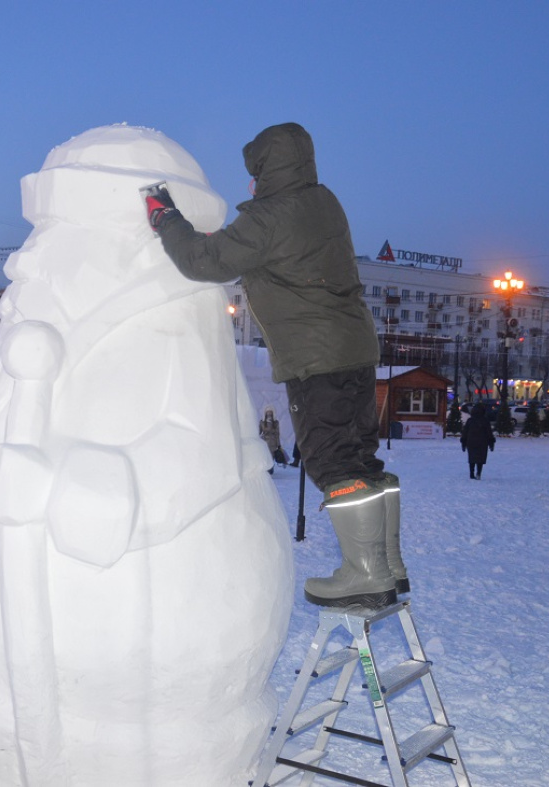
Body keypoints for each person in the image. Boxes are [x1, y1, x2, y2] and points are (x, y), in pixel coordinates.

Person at [146, 122, 406, 609]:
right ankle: (388, 567)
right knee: (361, 456)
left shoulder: (268, 217)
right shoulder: (323, 201)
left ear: (266, 170)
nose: (250, 183)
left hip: (316, 356)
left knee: (332, 460)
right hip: (354, 349)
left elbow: (204, 261)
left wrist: (166, 219)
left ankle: (365, 574)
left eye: (255, 171)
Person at [460, 403, 495, 480]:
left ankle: (471, 473)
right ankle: (478, 473)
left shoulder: (470, 421)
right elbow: (489, 433)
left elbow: (465, 432)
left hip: (471, 442)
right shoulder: (485, 421)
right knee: (480, 459)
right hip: (482, 442)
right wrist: (491, 443)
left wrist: (463, 442)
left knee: (472, 458)